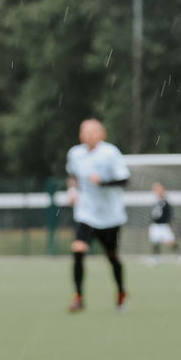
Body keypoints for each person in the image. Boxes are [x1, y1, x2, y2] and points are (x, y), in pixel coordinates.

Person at [64, 117, 130, 313]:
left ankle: (121, 292)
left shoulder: (110, 153)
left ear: (102, 134)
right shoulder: (75, 153)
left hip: (111, 216)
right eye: (84, 131)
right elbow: (73, 176)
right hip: (86, 213)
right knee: (78, 250)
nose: (87, 135)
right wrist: (72, 191)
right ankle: (78, 297)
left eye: (92, 131)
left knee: (112, 257)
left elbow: (124, 180)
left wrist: (103, 182)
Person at [147, 184, 181, 263]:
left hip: (164, 225)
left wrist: (171, 224)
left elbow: (169, 214)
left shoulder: (165, 202)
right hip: (155, 225)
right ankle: (156, 257)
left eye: (159, 190)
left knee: (170, 242)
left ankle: (179, 256)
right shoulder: (155, 201)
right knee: (155, 242)